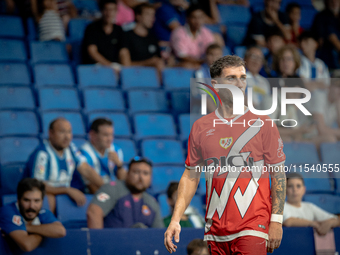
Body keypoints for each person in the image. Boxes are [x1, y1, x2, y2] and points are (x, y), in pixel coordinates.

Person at [164, 55, 286, 254]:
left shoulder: (264, 124)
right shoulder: (201, 127)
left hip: (253, 226)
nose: (240, 83)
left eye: (243, 77)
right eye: (231, 78)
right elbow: (190, 176)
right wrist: (176, 219)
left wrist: (276, 221)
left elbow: (278, 174)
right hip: (215, 230)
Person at [26, 118, 104, 213]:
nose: (67, 137)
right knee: (48, 199)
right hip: (48, 194)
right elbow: (38, 186)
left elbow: (86, 170)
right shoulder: (43, 154)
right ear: (51, 133)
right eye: (62, 132)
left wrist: (106, 187)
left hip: (63, 195)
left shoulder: (71, 148)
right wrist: (67, 190)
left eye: (69, 132)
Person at [87, 157, 164, 229]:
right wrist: (98, 241)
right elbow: (93, 212)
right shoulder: (113, 188)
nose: (141, 177)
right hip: (113, 242)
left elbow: (158, 232)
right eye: (136, 172)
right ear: (127, 174)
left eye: (145, 173)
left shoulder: (152, 202)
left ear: (151, 178)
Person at [0, 178, 66, 252]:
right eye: (27, 200)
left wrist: (26, 227)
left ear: (42, 201)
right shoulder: (7, 211)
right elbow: (27, 245)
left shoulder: (43, 212)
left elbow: (61, 231)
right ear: (18, 200)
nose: (32, 206)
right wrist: (45, 231)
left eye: (36, 201)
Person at [80, 118, 126, 193]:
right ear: (93, 135)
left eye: (111, 135)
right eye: (105, 135)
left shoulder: (116, 150)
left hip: (114, 192)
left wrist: (119, 165)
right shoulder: (84, 153)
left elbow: (124, 181)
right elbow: (90, 186)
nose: (110, 139)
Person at [81, 0, 128, 70]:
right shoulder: (92, 28)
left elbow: (123, 52)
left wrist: (127, 71)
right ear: (101, 11)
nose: (109, 13)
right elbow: (92, 51)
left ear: (116, 11)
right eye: (106, 9)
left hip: (115, 67)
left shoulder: (119, 30)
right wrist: (110, 67)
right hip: (95, 67)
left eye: (112, 10)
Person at [121, 3, 164, 74]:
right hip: (133, 76)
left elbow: (159, 61)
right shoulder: (126, 36)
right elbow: (125, 65)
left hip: (151, 77)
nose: (152, 18)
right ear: (138, 16)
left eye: (153, 15)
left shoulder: (153, 38)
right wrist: (148, 63)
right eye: (148, 14)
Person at [170, 5, 216, 69]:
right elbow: (182, 56)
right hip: (182, 64)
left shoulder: (207, 33)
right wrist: (201, 62)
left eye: (200, 17)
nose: (197, 21)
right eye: (194, 17)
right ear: (188, 18)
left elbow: (211, 51)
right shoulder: (179, 32)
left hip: (202, 64)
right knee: (187, 65)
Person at [311, 0, 340, 69]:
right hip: (328, 54)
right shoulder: (321, 16)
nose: (334, 2)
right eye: (331, 1)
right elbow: (328, 38)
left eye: (337, 0)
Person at [244, 46, 271, 110]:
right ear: (245, 59)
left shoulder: (264, 81)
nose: (256, 61)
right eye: (253, 57)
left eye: (259, 58)